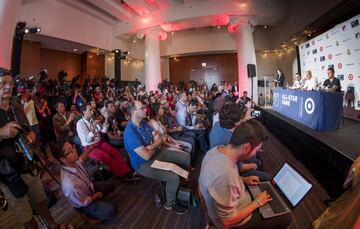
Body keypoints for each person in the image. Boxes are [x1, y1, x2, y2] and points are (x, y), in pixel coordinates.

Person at [0, 68, 69, 229]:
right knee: (24, 212)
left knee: (40, 199)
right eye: (3, 83)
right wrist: (1, 133)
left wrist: (31, 136)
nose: (8, 87)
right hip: (8, 173)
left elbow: (28, 129)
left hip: (27, 164)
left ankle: (52, 225)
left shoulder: (16, 106)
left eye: (10, 83)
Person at [199, 119, 291, 229]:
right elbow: (227, 221)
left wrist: (243, 179)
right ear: (247, 147)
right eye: (256, 150)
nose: (255, 153)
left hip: (233, 200)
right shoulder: (226, 175)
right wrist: (257, 202)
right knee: (287, 217)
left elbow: (220, 181)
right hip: (234, 222)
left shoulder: (215, 151)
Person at [124, 101, 190, 215]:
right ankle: (170, 204)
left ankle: (178, 186)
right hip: (143, 164)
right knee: (173, 177)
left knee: (185, 157)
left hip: (157, 153)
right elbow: (146, 155)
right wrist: (155, 144)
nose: (146, 109)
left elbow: (160, 138)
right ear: (134, 112)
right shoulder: (130, 132)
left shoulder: (144, 123)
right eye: (142, 108)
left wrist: (151, 146)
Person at [52, 141, 116, 221]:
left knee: (111, 185)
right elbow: (83, 202)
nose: (75, 150)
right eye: (71, 150)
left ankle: (98, 203)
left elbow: (81, 159)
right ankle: (87, 214)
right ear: (63, 159)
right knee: (111, 211)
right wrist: (96, 195)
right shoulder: (70, 184)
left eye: (73, 147)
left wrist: (90, 148)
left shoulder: (71, 163)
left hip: (89, 187)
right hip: (83, 203)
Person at [209, 103, 271, 181]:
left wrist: (245, 119)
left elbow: (234, 127)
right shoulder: (231, 140)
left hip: (222, 163)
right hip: (233, 171)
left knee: (255, 158)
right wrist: (254, 165)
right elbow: (239, 167)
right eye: (240, 120)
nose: (242, 120)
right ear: (234, 125)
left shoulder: (218, 125)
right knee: (262, 170)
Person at [76, 104, 131, 178]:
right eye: (90, 110)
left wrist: (106, 118)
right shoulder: (80, 124)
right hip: (89, 147)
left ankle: (126, 171)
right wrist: (94, 126)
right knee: (106, 157)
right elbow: (87, 140)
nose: (92, 112)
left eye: (92, 110)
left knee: (115, 152)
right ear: (84, 112)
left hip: (99, 142)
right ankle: (122, 175)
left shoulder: (93, 120)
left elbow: (104, 130)